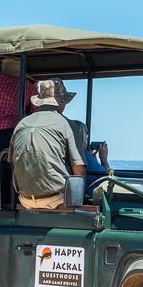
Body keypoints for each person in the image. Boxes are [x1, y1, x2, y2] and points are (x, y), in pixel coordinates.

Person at [11, 78, 86, 210]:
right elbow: (78, 173)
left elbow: (12, 162)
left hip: (25, 199)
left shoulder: (21, 124)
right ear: (61, 102)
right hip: (56, 200)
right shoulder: (67, 124)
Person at [67, 118, 110, 185]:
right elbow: (106, 178)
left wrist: (93, 160)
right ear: (82, 136)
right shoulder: (83, 154)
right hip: (88, 193)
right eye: (86, 136)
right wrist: (103, 158)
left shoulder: (67, 150)